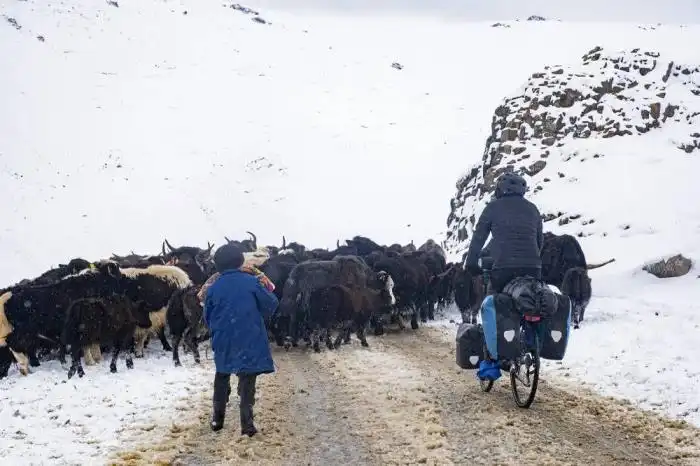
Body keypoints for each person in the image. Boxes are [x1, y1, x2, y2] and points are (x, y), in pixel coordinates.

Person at [203, 243, 279, 436]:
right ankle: (247, 424)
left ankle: (217, 419)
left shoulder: (213, 288)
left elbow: (207, 316)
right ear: (240, 262)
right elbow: (271, 304)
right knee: (247, 378)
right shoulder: (252, 282)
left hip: (223, 338)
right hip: (249, 336)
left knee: (222, 374)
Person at [464, 172, 544, 294]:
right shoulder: (533, 209)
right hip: (533, 269)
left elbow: (478, 238)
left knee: (494, 301)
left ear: (500, 189)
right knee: (534, 300)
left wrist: (471, 264)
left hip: (504, 268)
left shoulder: (492, 207)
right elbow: (539, 241)